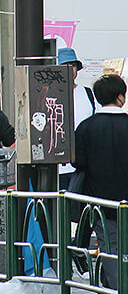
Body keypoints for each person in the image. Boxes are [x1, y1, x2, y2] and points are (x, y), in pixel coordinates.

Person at [74, 73, 128, 289]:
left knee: (110, 248)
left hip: (100, 201)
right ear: (120, 97)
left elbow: (79, 163)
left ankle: (115, 287)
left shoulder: (86, 128)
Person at [59, 48, 96, 191]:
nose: (70, 70)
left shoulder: (88, 93)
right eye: (64, 66)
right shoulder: (48, 95)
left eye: (72, 65)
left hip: (85, 165)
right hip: (59, 167)